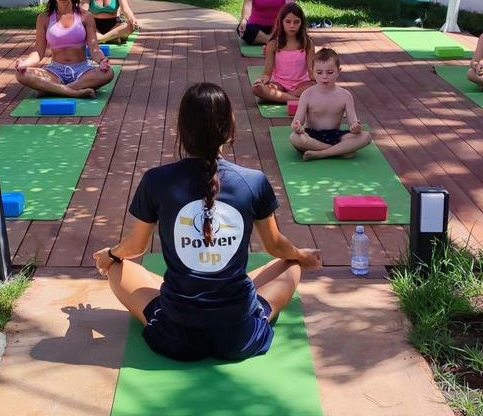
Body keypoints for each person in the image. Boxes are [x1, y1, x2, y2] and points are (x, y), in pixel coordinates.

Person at [93, 82, 322, 362]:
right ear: (230, 128)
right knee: (291, 263)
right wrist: (302, 256)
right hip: (239, 334)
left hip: (177, 336)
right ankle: (238, 286)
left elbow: (135, 246)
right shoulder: (253, 181)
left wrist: (110, 255)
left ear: (182, 130)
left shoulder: (156, 181)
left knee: (118, 267)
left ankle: (187, 286)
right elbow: (276, 247)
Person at [15, 0, 113, 98]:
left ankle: (53, 90)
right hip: (55, 72)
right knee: (21, 75)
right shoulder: (44, 18)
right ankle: (74, 92)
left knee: (108, 73)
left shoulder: (85, 16)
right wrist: (24, 63)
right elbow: (38, 52)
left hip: (82, 71)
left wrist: (102, 61)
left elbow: (94, 49)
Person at [289, 48, 371, 160]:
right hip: (311, 135)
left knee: (366, 136)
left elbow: (353, 124)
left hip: (335, 135)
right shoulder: (307, 94)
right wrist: (298, 127)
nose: (324, 76)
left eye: (330, 72)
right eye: (319, 72)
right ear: (312, 71)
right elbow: (296, 122)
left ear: (338, 71)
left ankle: (322, 153)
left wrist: (356, 128)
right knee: (294, 138)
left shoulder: (345, 95)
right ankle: (340, 150)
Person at [252, 2, 315, 103]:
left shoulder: (308, 43)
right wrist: (261, 82)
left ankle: (280, 98)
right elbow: (267, 74)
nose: (292, 25)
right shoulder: (273, 44)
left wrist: (322, 80)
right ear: (281, 22)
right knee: (257, 89)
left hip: (302, 85)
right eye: (288, 21)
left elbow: (312, 72)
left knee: (317, 88)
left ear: (302, 23)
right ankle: (297, 100)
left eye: (296, 22)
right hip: (278, 84)